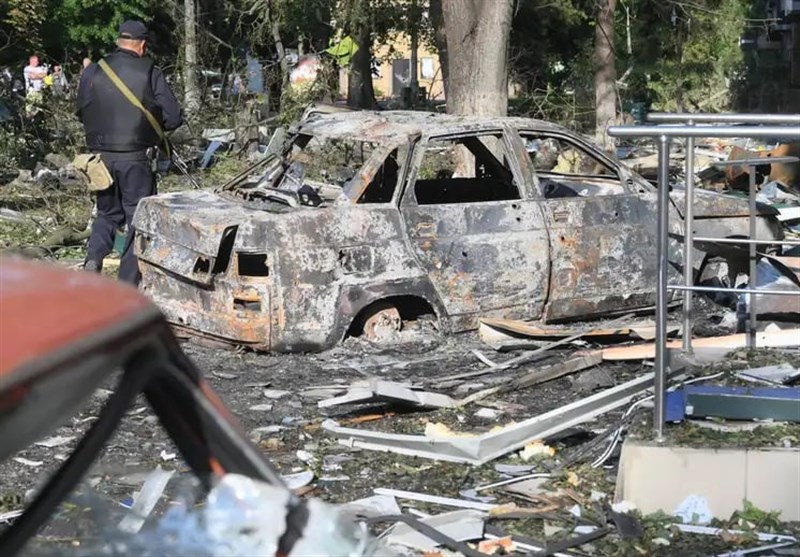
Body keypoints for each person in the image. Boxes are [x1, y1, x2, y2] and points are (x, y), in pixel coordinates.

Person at [77, 20, 182, 284]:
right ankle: (126, 283)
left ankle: (93, 259)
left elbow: (81, 110)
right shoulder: (150, 71)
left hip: (99, 158)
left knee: (106, 213)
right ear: (143, 44)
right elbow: (174, 117)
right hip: (136, 157)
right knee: (138, 218)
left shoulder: (93, 71)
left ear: (118, 41)